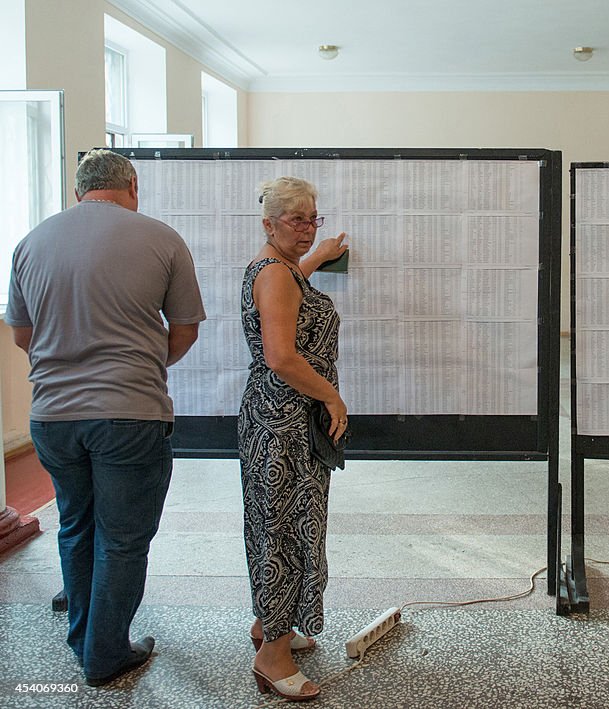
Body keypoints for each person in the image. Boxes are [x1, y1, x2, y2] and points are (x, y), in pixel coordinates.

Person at [5, 149, 205, 686]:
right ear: (132, 185)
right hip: (130, 415)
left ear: (78, 192)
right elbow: (185, 326)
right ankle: (106, 652)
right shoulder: (161, 238)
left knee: (75, 524)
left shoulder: (31, 242)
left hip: (51, 416)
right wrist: (140, 364)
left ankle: (84, 637)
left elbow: (22, 333)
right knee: (123, 537)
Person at [238, 176, 348, 701]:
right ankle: (273, 656)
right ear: (268, 223)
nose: (306, 229)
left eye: (312, 219)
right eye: (295, 220)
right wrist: (331, 395)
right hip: (284, 425)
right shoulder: (275, 275)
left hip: (276, 418)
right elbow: (282, 356)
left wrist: (317, 258)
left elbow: (288, 291)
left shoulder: (279, 270)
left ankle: (269, 622)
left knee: (274, 523)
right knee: (286, 530)